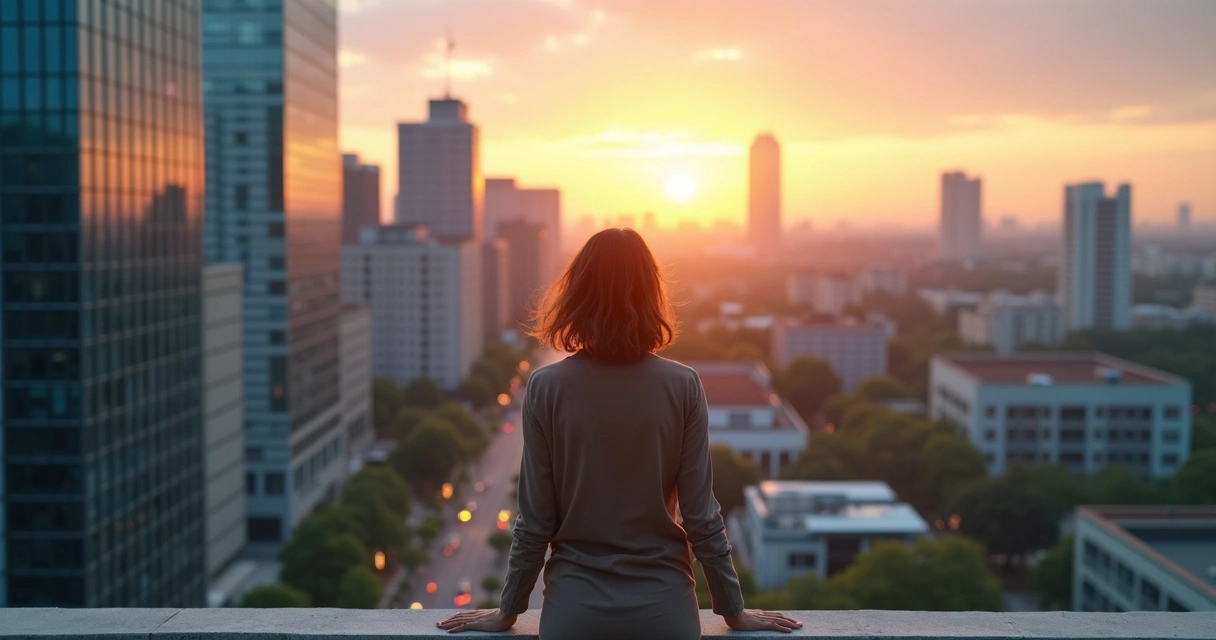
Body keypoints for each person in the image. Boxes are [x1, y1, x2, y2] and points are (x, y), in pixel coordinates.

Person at [438, 229, 801, 638]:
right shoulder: (682, 386)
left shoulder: (545, 387)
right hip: (665, 615)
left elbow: (536, 521)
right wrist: (733, 611)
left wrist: (508, 611)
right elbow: (701, 516)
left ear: (576, 294)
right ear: (651, 295)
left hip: (574, 616)